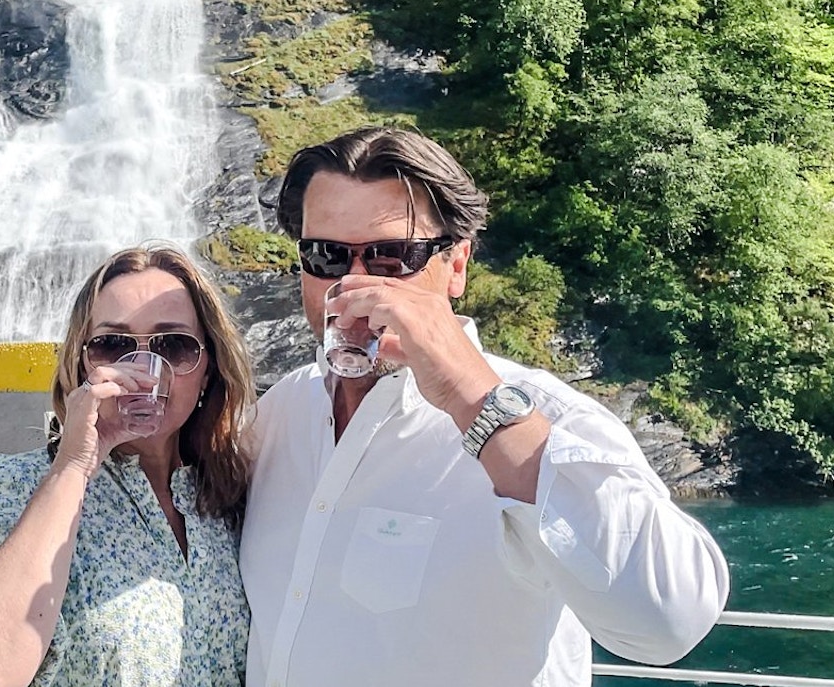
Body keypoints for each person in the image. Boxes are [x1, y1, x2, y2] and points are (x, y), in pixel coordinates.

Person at [239, 127, 731, 687]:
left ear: (456, 266)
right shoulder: (276, 418)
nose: (353, 283)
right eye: (326, 255)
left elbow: (670, 625)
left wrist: (473, 397)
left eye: (391, 256)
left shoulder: (553, 419)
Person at [0, 245, 255, 686]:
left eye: (173, 346)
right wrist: (75, 464)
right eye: (113, 345)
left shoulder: (232, 497)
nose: (142, 370)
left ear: (208, 370)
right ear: (83, 364)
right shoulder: (9, 483)